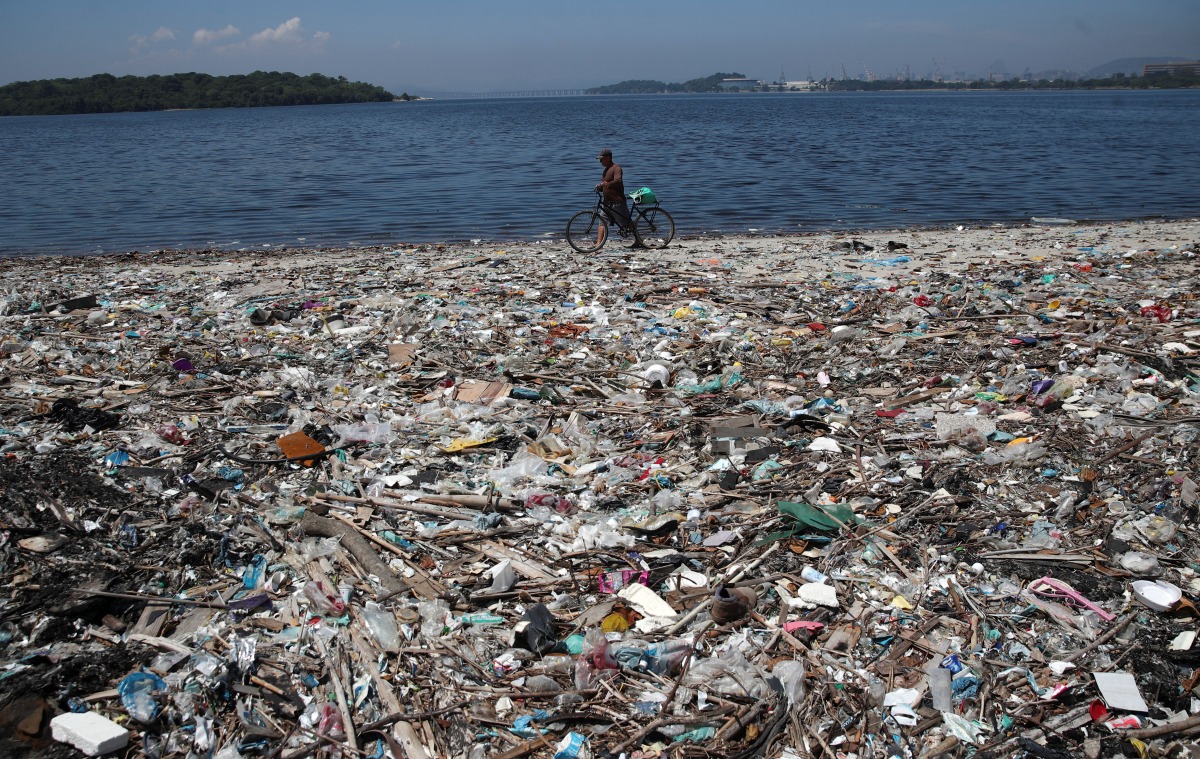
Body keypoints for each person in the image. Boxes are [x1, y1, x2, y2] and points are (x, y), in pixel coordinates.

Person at [595, 148, 643, 248]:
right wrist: (600, 187)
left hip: (617, 201)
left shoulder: (616, 168)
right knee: (602, 222)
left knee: (626, 223)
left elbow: (618, 181)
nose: (600, 161)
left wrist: (607, 184)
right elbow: (606, 186)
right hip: (607, 202)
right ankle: (598, 244)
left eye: (602, 159)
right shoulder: (605, 171)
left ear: (608, 158)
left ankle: (639, 240)